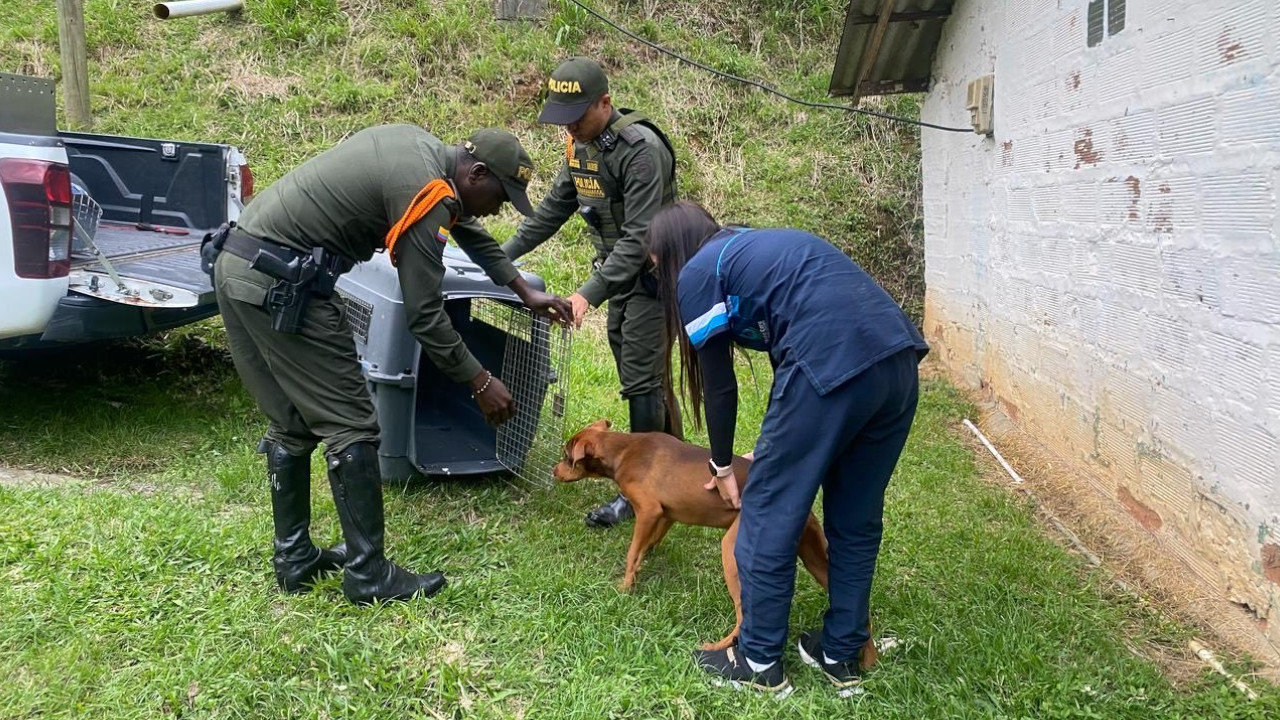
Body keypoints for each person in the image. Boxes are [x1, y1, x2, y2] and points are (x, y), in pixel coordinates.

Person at [209, 124, 571, 605]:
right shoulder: (429, 191)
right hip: (284, 285)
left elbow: (466, 226)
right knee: (353, 426)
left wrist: (522, 289)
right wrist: (481, 381)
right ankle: (369, 576)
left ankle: (294, 560)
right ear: (477, 173)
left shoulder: (420, 152)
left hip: (239, 264)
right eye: (500, 196)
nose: (498, 209)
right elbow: (425, 315)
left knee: (292, 419)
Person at [648, 201, 929, 696]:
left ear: (671, 254)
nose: (659, 277)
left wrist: (722, 464)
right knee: (857, 516)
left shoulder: (698, 271)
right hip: (897, 361)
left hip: (832, 360)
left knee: (769, 508)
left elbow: (719, 386)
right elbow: (795, 346)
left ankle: (757, 661)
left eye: (655, 266)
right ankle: (841, 650)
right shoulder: (759, 247)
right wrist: (777, 442)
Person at [501, 57, 680, 528]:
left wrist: (586, 295)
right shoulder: (581, 146)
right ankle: (675, 466)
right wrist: (498, 258)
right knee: (642, 376)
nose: (570, 127)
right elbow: (551, 211)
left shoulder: (640, 152)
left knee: (641, 379)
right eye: (563, 118)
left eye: (577, 116)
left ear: (605, 102)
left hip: (653, 278)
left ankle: (639, 489)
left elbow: (639, 238)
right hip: (621, 278)